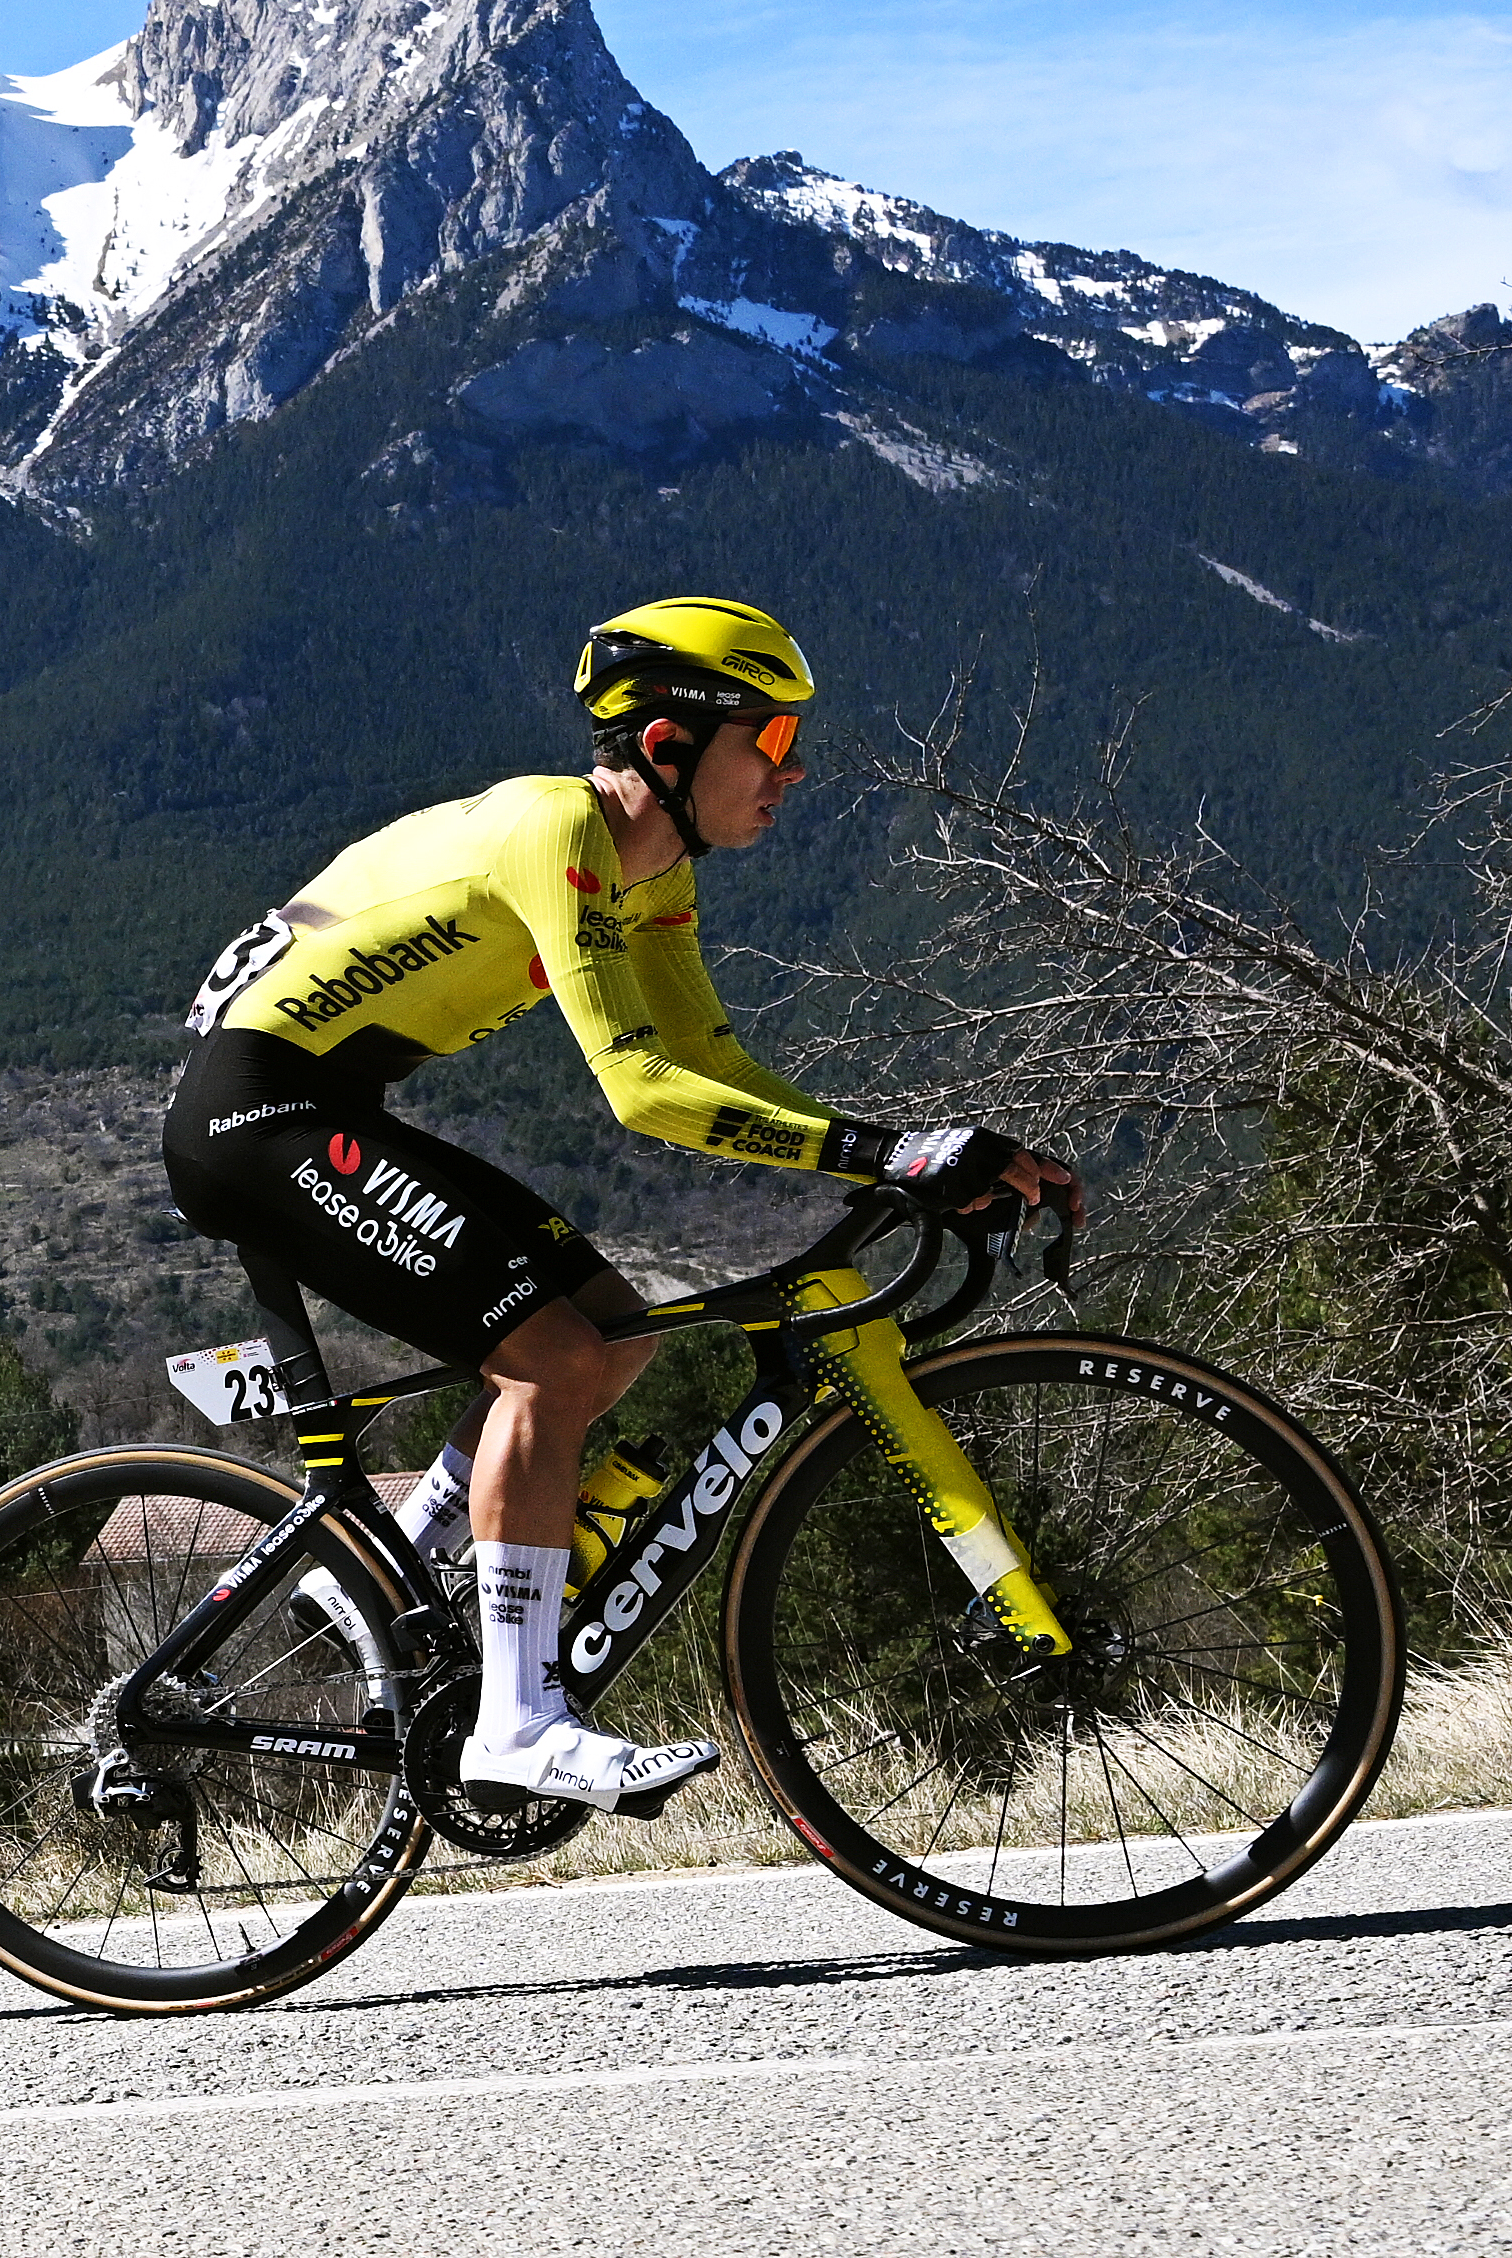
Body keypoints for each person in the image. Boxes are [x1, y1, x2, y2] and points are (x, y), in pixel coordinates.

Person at [162, 598, 1075, 1812]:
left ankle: (383, 1570)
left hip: (314, 1100)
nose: (793, 770)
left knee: (612, 1330)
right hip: (251, 1116)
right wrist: (893, 1155)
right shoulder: (558, 829)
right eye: (772, 738)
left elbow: (712, 1064)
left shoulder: (650, 872)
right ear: (666, 746)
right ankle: (517, 1723)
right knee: (548, 1361)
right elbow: (641, 1091)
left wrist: (895, 1157)